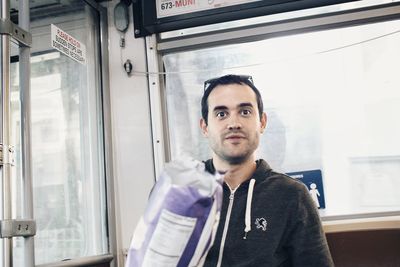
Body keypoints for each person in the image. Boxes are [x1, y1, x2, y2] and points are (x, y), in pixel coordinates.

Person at [199, 74, 334, 267]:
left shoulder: (292, 196)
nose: (234, 123)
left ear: (262, 122)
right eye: (221, 114)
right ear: (204, 127)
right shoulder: (178, 191)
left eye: (245, 112)